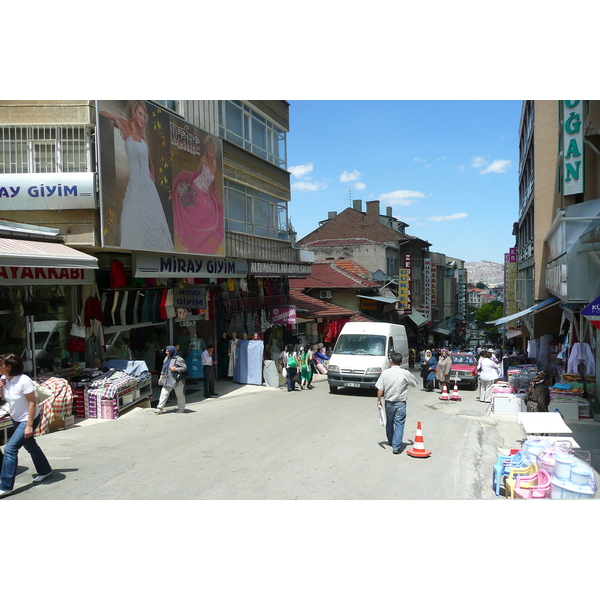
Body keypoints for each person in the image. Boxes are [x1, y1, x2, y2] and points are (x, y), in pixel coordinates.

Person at [99, 102, 174, 252]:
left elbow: (150, 163)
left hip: (148, 188)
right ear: (133, 113)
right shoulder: (126, 127)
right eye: (140, 114)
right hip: (135, 187)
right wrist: (117, 119)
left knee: (156, 223)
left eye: (144, 116)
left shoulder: (145, 140)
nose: (143, 118)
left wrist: (152, 173)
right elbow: (101, 112)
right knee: (132, 220)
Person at [0, 353, 53, 497]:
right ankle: (45, 470)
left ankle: (5, 486)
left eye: (1, 365)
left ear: (9, 367)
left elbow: (32, 403)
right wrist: (0, 388)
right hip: (16, 417)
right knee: (30, 445)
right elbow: (6, 397)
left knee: (10, 449)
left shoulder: (24, 381)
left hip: (28, 419)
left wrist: (29, 426)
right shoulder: (4, 379)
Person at [171, 135, 224, 255]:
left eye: (211, 151)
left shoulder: (214, 164)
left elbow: (213, 179)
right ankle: (191, 236)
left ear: (214, 153)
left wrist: (214, 190)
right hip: (197, 186)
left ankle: (203, 242)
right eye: (208, 151)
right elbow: (197, 171)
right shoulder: (204, 159)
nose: (210, 153)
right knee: (196, 212)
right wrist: (189, 184)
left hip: (206, 190)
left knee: (211, 211)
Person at [376, 353, 419, 454]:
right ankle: (396, 446)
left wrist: (378, 400)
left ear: (391, 361)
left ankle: (391, 441)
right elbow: (414, 383)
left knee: (389, 423)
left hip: (388, 403)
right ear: (401, 362)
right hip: (400, 403)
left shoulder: (385, 373)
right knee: (399, 424)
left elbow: (380, 389)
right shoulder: (405, 373)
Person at [156, 346, 187, 414]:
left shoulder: (178, 359)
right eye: (166, 351)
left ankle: (181, 408)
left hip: (176, 381)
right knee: (163, 394)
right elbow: (164, 368)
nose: (166, 352)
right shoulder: (166, 358)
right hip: (167, 380)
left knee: (179, 395)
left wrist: (176, 369)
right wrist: (161, 376)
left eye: (168, 351)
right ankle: (159, 408)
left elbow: (184, 368)